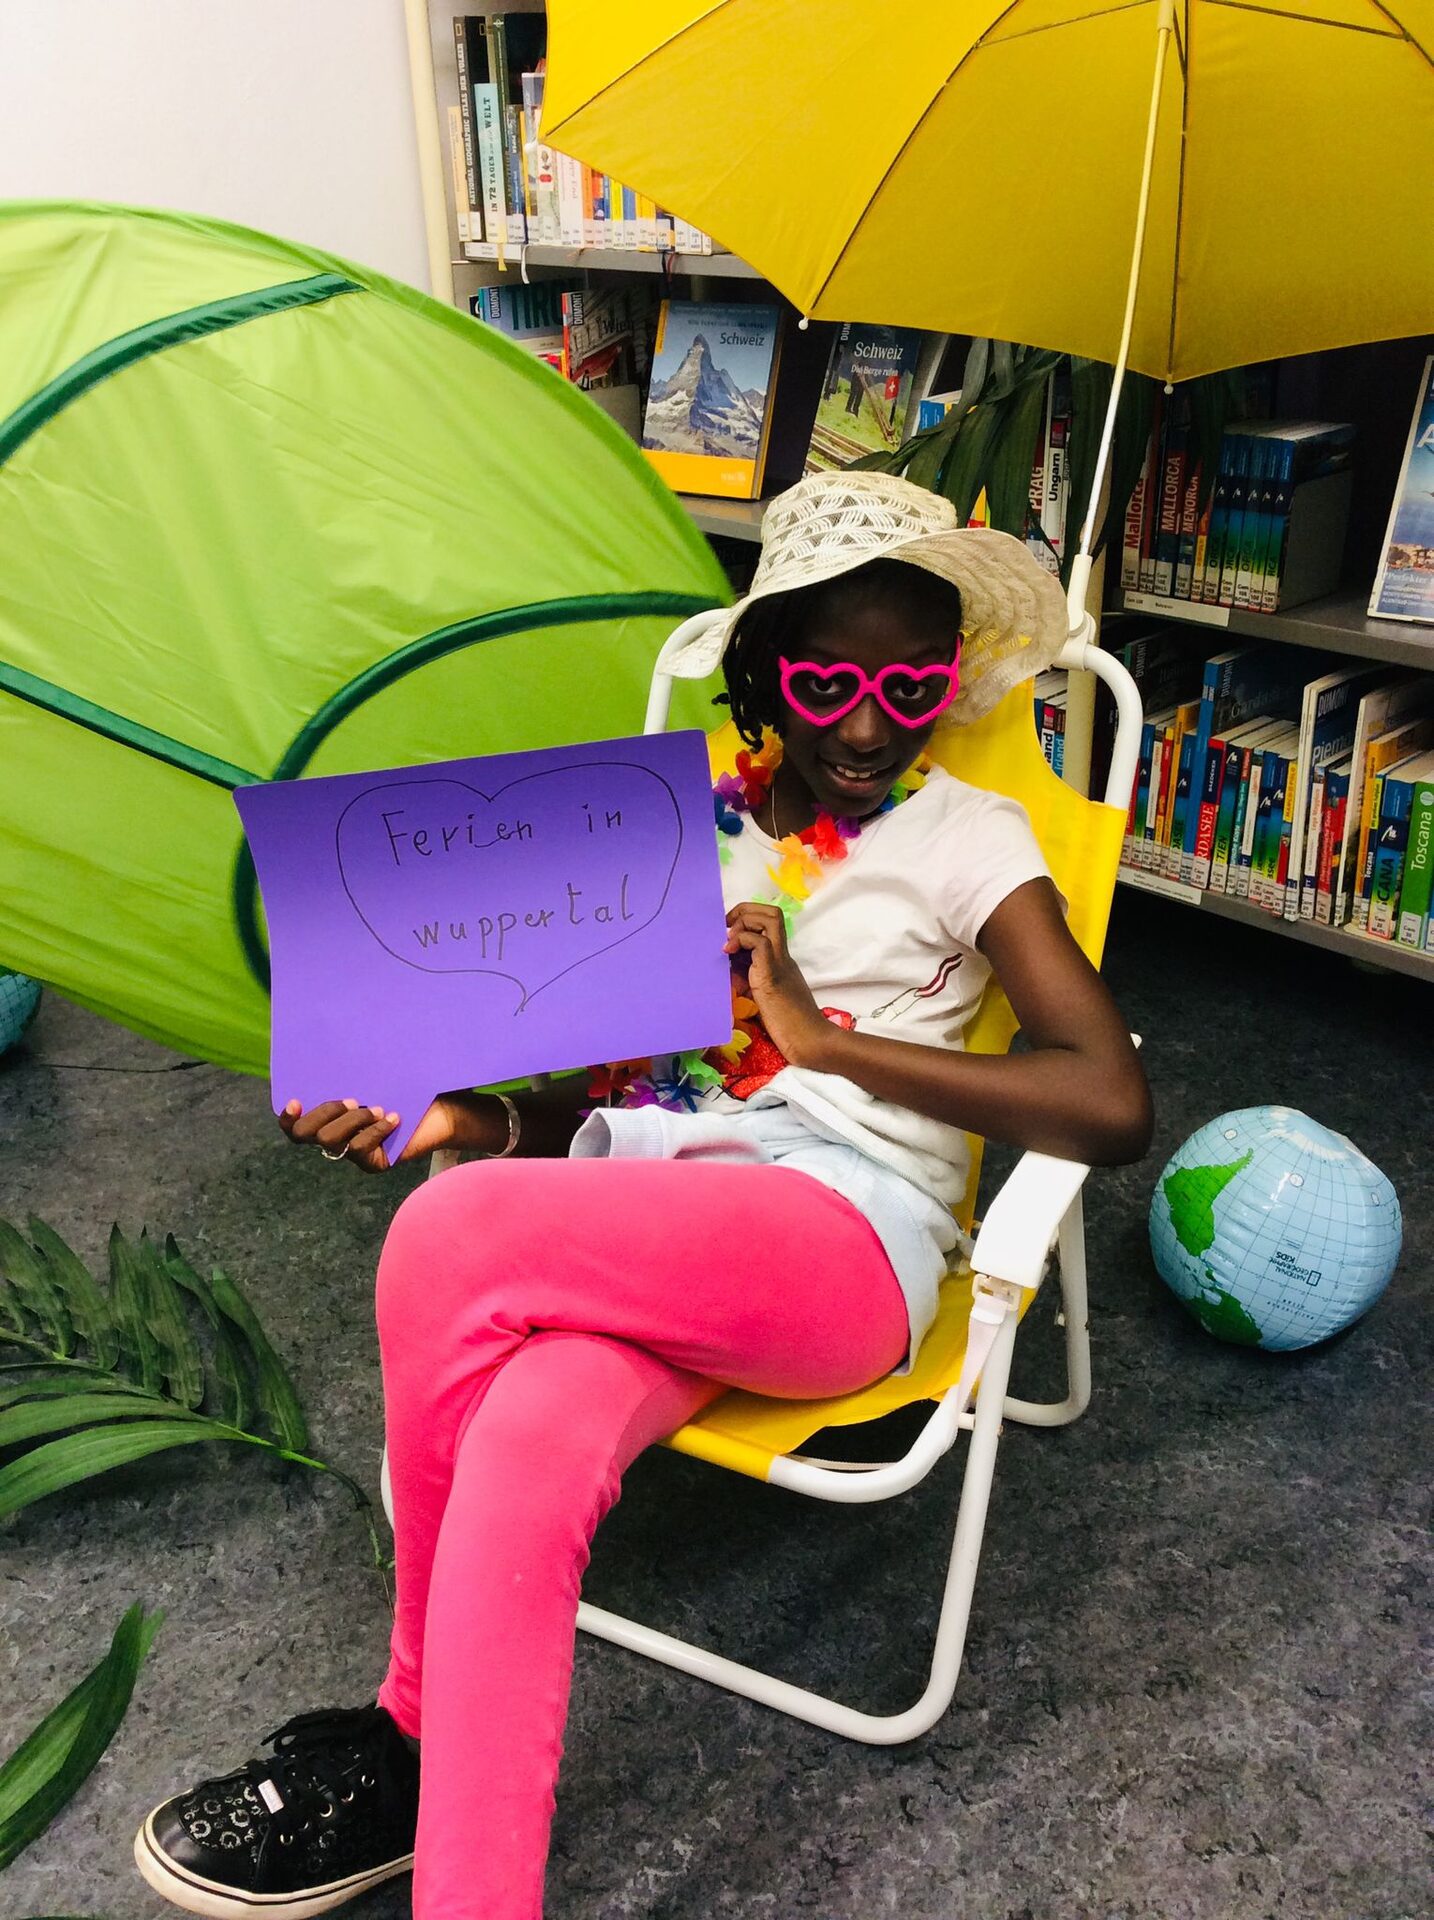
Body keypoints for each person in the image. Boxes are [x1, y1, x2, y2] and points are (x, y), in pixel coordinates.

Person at [134, 472, 1152, 1920]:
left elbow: (1110, 1099)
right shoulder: (676, 837)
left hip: (845, 1240)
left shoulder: (967, 837)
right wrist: (469, 1115)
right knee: (527, 1436)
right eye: (829, 681)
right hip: (659, 1206)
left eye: (913, 682)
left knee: (448, 1230)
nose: (871, 725)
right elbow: (629, 1092)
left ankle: (407, 1732)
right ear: (764, 676)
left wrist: (824, 1044)